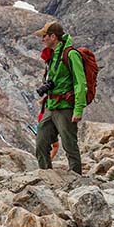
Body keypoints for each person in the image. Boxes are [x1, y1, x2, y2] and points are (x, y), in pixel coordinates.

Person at [33, 21, 86, 174]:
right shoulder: (51, 56)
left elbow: (80, 83)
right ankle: (46, 175)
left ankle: (76, 177)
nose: (42, 39)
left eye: (44, 36)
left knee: (69, 145)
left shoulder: (71, 54)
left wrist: (78, 109)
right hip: (51, 105)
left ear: (53, 37)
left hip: (65, 107)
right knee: (41, 142)